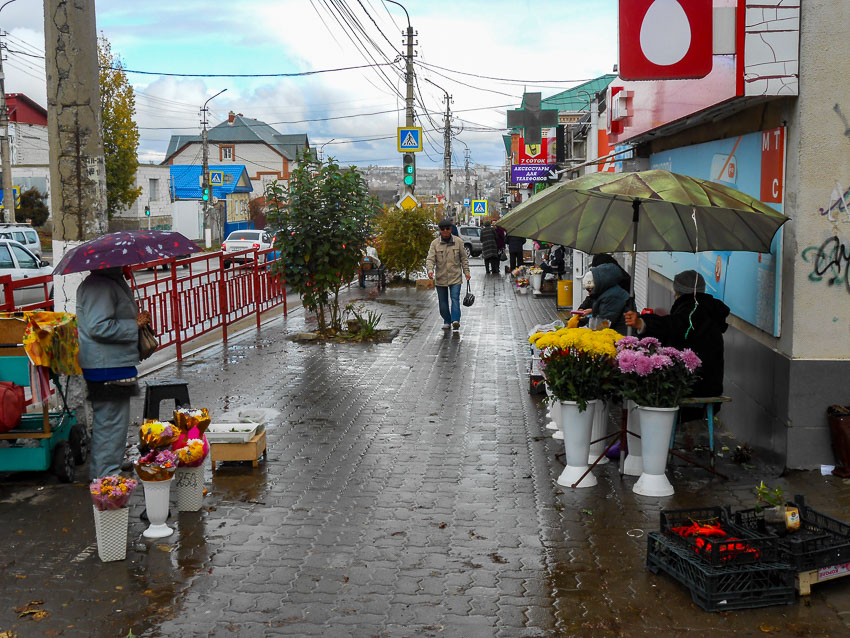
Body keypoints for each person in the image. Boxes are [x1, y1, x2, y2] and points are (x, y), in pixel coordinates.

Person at [77, 266, 151, 479]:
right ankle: (106, 474)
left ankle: (112, 463)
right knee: (110, 422)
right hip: (106, 366)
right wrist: (133, 324)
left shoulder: (109, 281)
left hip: (113, 364)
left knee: (115, 421)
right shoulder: (99, 286)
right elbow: (98, 327)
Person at [624, 270, 730, 402]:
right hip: (711, 384)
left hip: (693, 385)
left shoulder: (693, 311)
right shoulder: (708, 310)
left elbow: (673, 325)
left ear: (677, 293)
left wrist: (643, 323)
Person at [426, 218, 471, 330]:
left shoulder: (458, 242)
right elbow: (430, 259)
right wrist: (430, 270)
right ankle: (447, 320)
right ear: (440, 230)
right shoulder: (435, 244)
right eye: (442, 229)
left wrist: (467, 272)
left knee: (455, 298)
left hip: (455, 277)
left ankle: (455, 320)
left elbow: (464, 258)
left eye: (447, 228)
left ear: (451, 229)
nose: (445, 231)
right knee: (443, 302)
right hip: (441, 277)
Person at [583, 262, 630, 334]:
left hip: (620, 335)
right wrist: (593, 312)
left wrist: (580, 323)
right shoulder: (608, 292)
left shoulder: (612, 296)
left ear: (598, 285)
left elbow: (604, 324)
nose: (589, 293)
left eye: (590, 290)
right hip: (616, 332)